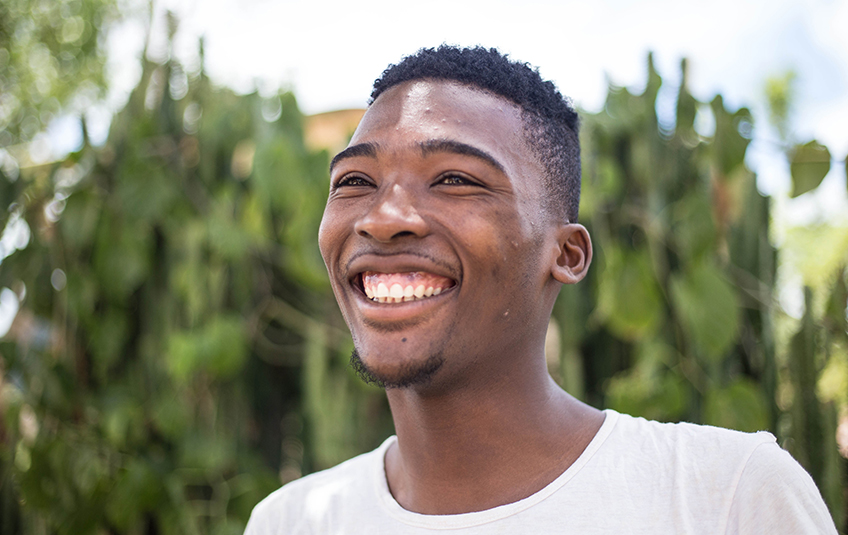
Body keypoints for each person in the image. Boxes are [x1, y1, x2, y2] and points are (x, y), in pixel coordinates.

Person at [245, 46, 836, 534]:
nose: (383, 216)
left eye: (454, 179)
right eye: (354, 181)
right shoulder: (291, 523)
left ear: (567, 255)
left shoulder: (724, 498)